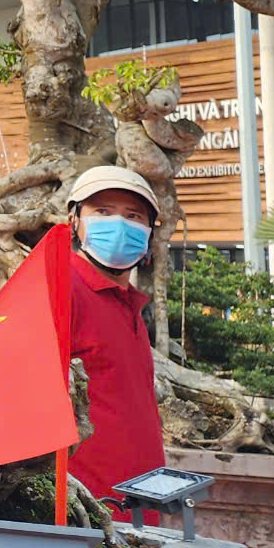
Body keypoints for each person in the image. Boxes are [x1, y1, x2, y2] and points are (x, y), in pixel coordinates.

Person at [62, 164, 169, 502]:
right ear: (74, 220)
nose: (120, 224)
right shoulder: (61, 288)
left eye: (134, 215)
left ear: (150, 232)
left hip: (141, 499)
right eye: (103, 212)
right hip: (86, 508)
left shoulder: (129, 301)